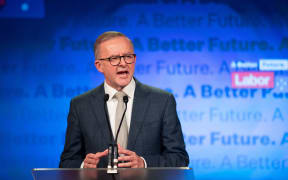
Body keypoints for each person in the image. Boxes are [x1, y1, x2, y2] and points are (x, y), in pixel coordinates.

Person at [59, 31, 189, 168]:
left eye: (128, 56)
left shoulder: (162, 101)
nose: (123, 63)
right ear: (99, 65)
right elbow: (66, 162)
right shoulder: (81, 105)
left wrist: (143, 163)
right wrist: (83, 166)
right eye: (114, 58)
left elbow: (179, 159)